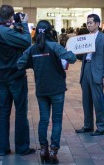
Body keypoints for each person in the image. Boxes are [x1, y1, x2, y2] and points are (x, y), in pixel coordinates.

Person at [17, 20, 77, 164]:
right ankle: (53, 152)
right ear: (51, 31)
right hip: (57, 89)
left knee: (43, 120)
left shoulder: (33, 48)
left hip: (41, 89)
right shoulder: (55, 46)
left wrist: (34, 64)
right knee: (57, 121)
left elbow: (20, 64)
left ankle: (43, 150)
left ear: (37, 32)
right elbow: (72, 58)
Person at [0, 5, 35, 156]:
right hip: (15, 77)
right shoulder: (5, 31)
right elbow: (27, 41)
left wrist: (16, 26)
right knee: (21, 112)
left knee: (4, 112)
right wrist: (25, 25)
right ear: (10, 17)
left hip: (1, 77)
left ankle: (2, 148)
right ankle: (22, 148)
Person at [75, 14, 104, 136]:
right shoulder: (85, 38)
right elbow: (81, 55)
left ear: (97, 24)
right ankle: (88, 126)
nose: (88, 25)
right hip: (86, 69)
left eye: (91, 23)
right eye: (87, 23)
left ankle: (101, 127)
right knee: (86, 100)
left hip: (98, 72)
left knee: (98, 101)